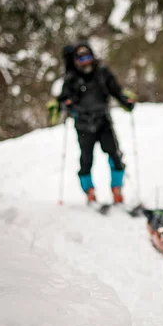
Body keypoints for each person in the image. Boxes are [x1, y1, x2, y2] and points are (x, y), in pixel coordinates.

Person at [57, 42, 135, 204]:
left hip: (103, 121)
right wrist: (66, 104)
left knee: (115, 156)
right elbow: (62, 100)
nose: (85, 61)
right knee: (86, 160)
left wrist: (125, 101)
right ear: (76, 61)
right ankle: (89, 192)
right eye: (81, 58)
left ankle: (117, 189)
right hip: (83, 124)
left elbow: (116, 90)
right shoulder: (71, 78)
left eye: (88, 56)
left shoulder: (102, 73)